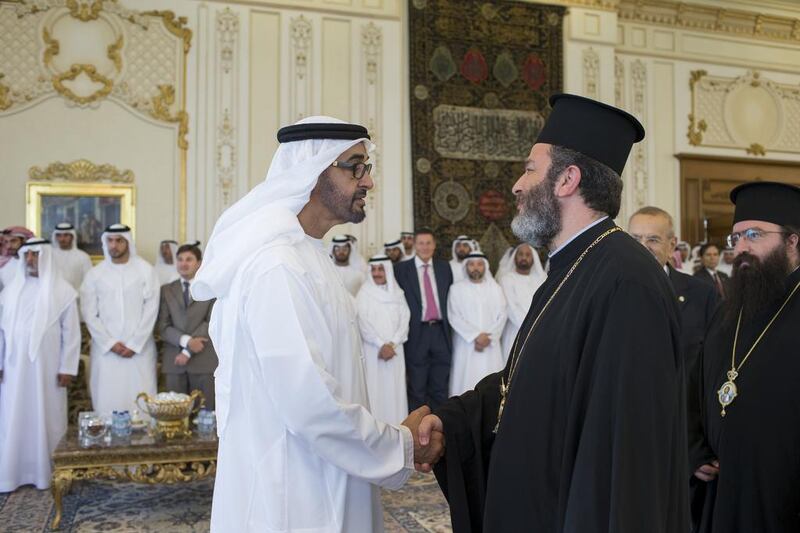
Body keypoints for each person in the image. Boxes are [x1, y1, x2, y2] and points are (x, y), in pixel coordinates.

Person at [409, 94, 688, 532]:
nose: (517, 185)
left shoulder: (627, 281)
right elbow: (520, 386)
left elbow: (626, 454)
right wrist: (448, 421)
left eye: (529, 168)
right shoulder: (570, 267)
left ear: (567, 180)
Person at [191, 117, 441, 533]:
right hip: (296, 493)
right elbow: (309, 401)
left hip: (327, 474)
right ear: (311, 171)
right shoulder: (277, 266)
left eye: (368, 167)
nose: (368, 182)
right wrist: (398, 444)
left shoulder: (307, 256)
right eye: (355, 166)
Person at [692, 182, 800, 533]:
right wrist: (695, 450)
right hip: (721, 492)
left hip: (783, 498)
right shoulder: (727, 313)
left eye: (754, 235)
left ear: (793, 242)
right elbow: (693, 389)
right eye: (735, 239)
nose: (740, 248)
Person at [628, 206, 720, 527]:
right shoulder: (608, 293)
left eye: (653, 239)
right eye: (635, 238)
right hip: (628, 444)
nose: (643, 247)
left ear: (672, 245)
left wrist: (697, 448)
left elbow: (711, 376)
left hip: (685, 450)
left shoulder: (702, 295)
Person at [0, 238, 80, 491]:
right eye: (28, 255)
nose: (31, 260)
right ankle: (12, 473)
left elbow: (72, 333)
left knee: (48, 417)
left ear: (45, 256)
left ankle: (48, 474)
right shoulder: (11, 290)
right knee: (14, 416)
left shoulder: (63, 291)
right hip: (13, 370)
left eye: (35, 255)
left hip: (49, 370)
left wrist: (67, 367)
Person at [80, 224, 158, 415]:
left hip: (139, 350)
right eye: (110, 240)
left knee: (142, 401)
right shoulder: (94, 274)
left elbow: (151, 309)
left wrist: (134, 343)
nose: (114, 245)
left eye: (119, 240)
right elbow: (89, 314)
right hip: (106, 351)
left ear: (128, 242)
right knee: (107, 400)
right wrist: (110, 343)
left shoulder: (145, 270)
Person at [394, 228, 454, 411]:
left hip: (440, 333)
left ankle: (440, 428)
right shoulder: (401, 269)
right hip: (416, 333)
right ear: (414, 245)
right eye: (421, 243)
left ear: (434, 245)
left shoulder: (445, 268)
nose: (425, 247)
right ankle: (418, 432)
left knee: (440, 386)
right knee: (417, 387)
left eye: (429, 243)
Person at [156, 243, 217, 409]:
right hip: (174, 363)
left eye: (189, 259)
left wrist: (187, 351)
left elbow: (211, 322)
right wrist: (187, 342)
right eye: (180, 259)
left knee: (206, 416)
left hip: (204, 361)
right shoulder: (166, 290)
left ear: (199, 263)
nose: (183, 263)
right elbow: (162, 326)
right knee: (174, 416)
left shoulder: (210, 288)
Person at [356, 254, 411, 424]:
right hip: (374, 351)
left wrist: (392, 344)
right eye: (374, 269)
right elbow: (362, 323)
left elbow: (405, 320)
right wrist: (381, 344)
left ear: (387, 270)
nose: (377, 273)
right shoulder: (364, 294)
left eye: (381, 269)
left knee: (395, 390)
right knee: (375, 389)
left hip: (395, 350)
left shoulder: (398, 293)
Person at [447, 252, 507, 396]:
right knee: (464, 385)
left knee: (492, 383)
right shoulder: (456, 289)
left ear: (484, 267)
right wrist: (475, 336)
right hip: (466, 345)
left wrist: (489, 337)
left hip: (490, 346)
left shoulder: (496, 289)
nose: (475, 268)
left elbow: (502, 315)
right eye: (472, 264)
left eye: (479, 264)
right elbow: (454, 316)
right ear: (466, 266)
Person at [498, 243, 546, 360]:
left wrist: (539, 327)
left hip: (540, 332)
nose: (524, 257)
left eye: (528, 255)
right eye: (521, 254)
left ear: (533, 258)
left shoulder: (542, 279)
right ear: (515, 257)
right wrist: (530, 327)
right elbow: (511, 308)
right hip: (515, 332)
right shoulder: (507, 279)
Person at [51, 222, 93, 292]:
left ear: (72, 236)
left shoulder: (83, 257)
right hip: (54, 299)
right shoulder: (50, 256)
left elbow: (89, 282)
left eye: (66, 235)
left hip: (77, 298)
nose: (62, 239)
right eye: (59, 235)